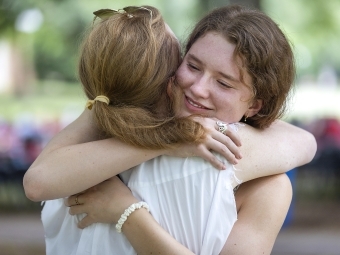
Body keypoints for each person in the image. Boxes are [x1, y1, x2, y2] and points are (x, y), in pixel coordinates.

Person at [23, 4, 316, 255]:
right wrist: (169, 139)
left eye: (224, 83)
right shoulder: (112, 116)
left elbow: (304, 142)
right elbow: (37, 182)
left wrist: (129, 214)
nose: (198, 89)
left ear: (255, 106)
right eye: (193, 65)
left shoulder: (261, 179)